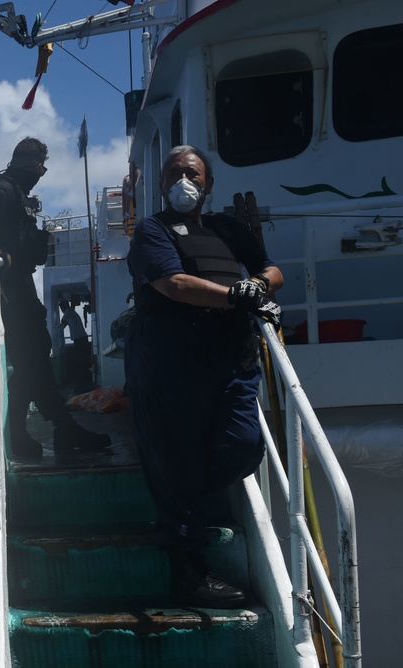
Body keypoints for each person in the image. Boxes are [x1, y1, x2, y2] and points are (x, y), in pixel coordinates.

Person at [124, 145, 282, 608]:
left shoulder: (228, 229)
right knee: (177, 460)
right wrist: (238, 296)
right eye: (174, 173)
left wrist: (260, 285)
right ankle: (187, 569)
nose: (183, 180)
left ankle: (183, 488)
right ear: (162, 183)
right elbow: (173, 284)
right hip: (171, 361)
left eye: (192, 173)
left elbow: (271, 269)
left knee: (244, 445)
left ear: (208, 184)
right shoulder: (152, 230)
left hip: (230, 359)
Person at [0, 137, 111, 462]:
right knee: (31, 358)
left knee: (34, 356)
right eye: (42, 167)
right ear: (36, 164)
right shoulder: (2, 187)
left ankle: (50, 429)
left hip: (17, 285)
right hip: (6, 288)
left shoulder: (16, 192)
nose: (42, 172)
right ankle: (50, 429)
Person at [58, 300, 93, 390]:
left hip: (80, 340)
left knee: (81, 361)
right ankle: (85, 382)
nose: (61, 310)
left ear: (64, 307)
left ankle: (83, 383)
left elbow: (62, 324)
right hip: (82, 338)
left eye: (61, 307)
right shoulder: (71, 312)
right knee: (82, 361)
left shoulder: (68, 312)